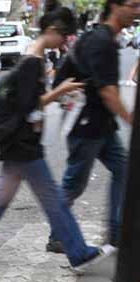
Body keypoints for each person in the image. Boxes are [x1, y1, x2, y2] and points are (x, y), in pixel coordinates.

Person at [0, 8, 115, 273]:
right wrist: (60, 91)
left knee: (2, 196)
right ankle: (79, 253)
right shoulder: (33, 62)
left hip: (17, 141)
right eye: (64, 36)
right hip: (23, 144)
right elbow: (30, 105)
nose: (66, 42)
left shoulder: (33, 55)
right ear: (52, 30)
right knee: (53, 200)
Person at [46, 0, 138, 252]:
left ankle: (116, 233)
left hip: (101, 124)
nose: (137, 11)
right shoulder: (101, 42)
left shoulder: (100, 37)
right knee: (74, 184)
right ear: (114, 7)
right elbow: (107, 90)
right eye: (132, 5)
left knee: (123, 169)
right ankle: (57, 236)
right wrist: (130, 120)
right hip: (87, 126)